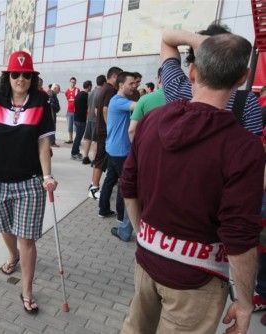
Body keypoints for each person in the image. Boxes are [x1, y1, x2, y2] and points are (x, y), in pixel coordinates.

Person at [121, 31, 263, 334]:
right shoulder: (243, 146)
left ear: (193, 70)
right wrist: (245, 302)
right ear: (243, 78)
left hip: (147, 260)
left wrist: (142, 235)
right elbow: (239, 235)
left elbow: (129, 186)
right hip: (198, 279)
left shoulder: (152, 119)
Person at [0, 51, 56, 314]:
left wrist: (47, 176)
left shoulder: (41, 100)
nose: (20, 79)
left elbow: (43, 143)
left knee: (26, 238)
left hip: (29, 181)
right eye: (15, 74)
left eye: (26, 74)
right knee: (5, 228)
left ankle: (27, 290)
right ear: (8, 76)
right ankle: (12, 255)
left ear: (32, 77)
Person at [161, 22, 262, 136]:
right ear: (243, 76)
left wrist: (198, 40)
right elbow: (252, 148)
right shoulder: (246, 102)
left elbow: (166, 38)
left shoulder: (175, 87)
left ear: (192, 70)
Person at [98, 72, 136, 234]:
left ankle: (103, 209)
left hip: (113, 148)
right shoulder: (119, 101)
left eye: (136, 83)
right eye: (132, 83)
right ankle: (122, 216)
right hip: (120, 150)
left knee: (110, 180)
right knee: (124, 183)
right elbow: (138, 106)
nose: (135, 86)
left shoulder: (118, 100)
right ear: (121, 85)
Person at [89, 67, 122, 200]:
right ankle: (94, 188)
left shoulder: (103, 89)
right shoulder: (110, 90)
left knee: (101, 159)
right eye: (119, 77)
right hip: (105, 131)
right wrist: (110, 128)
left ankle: (94, 186)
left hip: (101, 129)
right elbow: (104, 110)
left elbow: (98, 110)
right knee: (101, 159)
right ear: (113, 76)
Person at [128, 67, 166, 141]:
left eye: (139, 82)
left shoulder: (144, 99)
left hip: (150, 142)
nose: (138, 84)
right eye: (137, 82)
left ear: (159, 79)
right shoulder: (187, 97)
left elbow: (131, 130)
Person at [82, 75, 105, 165]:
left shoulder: (90, 92)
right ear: (104, 83)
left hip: (90, 118)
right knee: (96, 140)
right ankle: (94, 160)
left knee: (87, 138)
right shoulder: (102, 93)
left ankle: (85, 157)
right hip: (97, 120)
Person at [71, 80, 92, 160]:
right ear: (89, 86)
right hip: (81, 119)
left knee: (78, 137)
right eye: (91, 86)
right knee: (78, 137)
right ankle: (74, 153)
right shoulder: (86, 95)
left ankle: (76, 152)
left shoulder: (79, 94)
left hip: (76, 118)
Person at [64, 77, 79, 144]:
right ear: (70, 82)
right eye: (72, 82)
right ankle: (70, 139)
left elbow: (77, 99)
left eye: (74, 82)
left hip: (76, 111)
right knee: (70, 126)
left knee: (76, 126)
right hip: (69, 111)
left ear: (75, 83)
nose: (73, 83)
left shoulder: (77, 90)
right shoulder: (67, 91)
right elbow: (68, 99)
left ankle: (77, 140)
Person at [48, 83, 61, 148]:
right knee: (52, 128)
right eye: (59, 89)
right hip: (51, 115)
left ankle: (51, 142)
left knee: (52, 128)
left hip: (52, 114)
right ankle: (52, 142)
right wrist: (57, 108)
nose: (59, 91)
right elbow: (51, 104)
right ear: (55, 88)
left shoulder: (52, 94)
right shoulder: (51, 94)